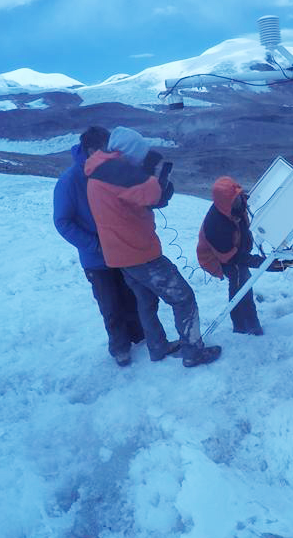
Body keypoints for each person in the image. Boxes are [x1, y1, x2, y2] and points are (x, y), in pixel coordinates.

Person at [85, 126, 221, 368]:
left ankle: (157, 348)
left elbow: (135, 200)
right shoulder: (116, 170)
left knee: (146, 301)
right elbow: (154, 193)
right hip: (140, 253)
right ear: (129, 152)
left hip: (119, 255)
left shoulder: (99, 169)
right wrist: (149, 169)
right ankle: (193, 352)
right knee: (183, 298)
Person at [53, 126, 153, 367]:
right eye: (105, 149)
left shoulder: (111, 170)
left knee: (131, 295)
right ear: (91, 150)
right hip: (96, 257)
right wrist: (95, 244)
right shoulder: (69, 181)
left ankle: (139, 337)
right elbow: (62, 221)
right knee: (110, 304)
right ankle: (120, 348)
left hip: (123, 249)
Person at [196, 176, 263, 335]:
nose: (240, 200)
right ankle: (245, 326)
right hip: (219, 258)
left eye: (239, 195)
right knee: (241, 285)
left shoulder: (235, 207)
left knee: (243, 280)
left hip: (236, 252)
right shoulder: (216, 225)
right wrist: (257, 262)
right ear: (225, 202)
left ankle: (244, 324)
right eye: (235, 199)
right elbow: (231, 257)